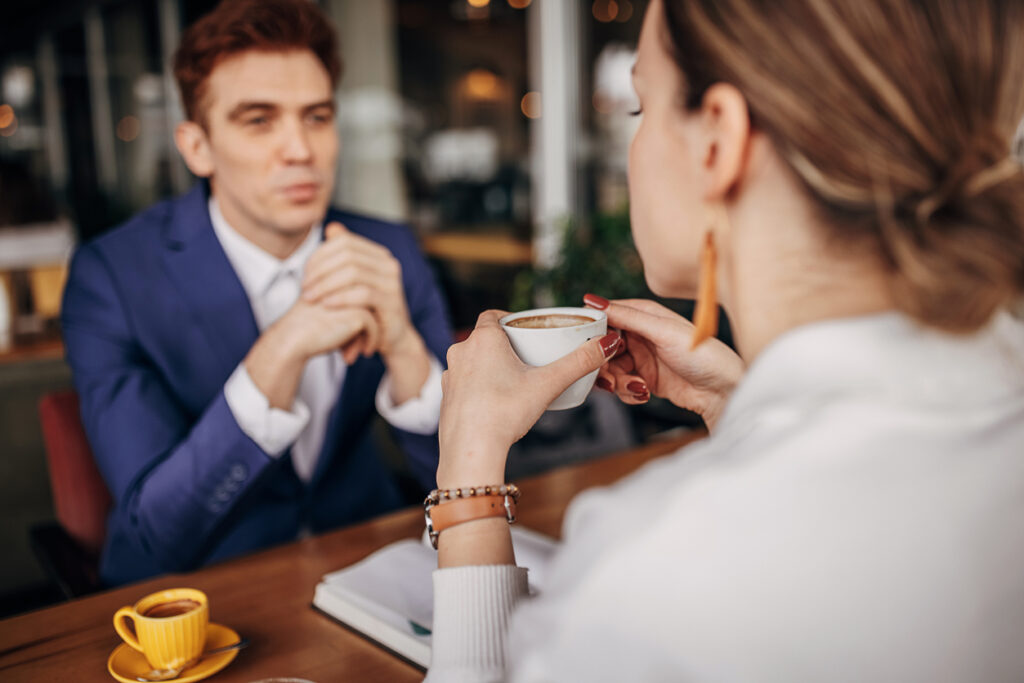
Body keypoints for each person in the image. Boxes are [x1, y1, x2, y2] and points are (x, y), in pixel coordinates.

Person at [425, 0, 1024, 680]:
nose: (632, 144)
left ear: (719, 141)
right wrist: (737, 408)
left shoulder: (654, 571)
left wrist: (468, 479)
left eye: (639, 110)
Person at [61, 0, 451, 585]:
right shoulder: (111, 277)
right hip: (202, 590)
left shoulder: (387, 248)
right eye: (259, 120)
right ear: (197, 148)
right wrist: (282, 347)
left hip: (369, 562)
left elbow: (466, 479)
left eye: (317, 117)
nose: (301, 150)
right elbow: (158, 530)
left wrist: (404, 350)